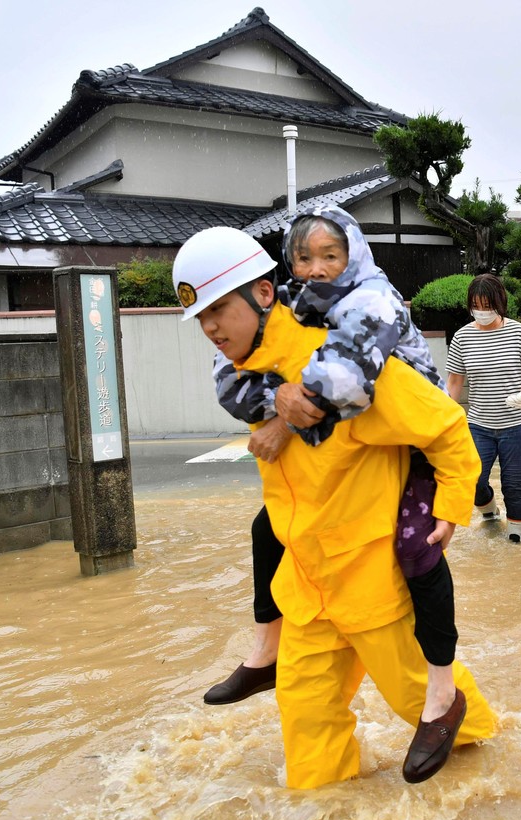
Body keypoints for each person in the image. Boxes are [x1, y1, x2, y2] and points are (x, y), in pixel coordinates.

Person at [175, 225, 494, 787]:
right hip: (307, 590)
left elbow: (445, 424)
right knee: (307, 733)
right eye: (201, 317)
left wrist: (450, 505)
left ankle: (497, 784)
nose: (210, 327)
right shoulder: (252, 379)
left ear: (263, 296)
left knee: (435, 712)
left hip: (374, 585)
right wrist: (276, 409)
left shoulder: (349, 366)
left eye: (219, 309)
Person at [445, 274, 521, 543]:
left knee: (515, 484)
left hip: (518, 425)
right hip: (479, 425)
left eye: (487, 305)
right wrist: (444, 415)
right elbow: (455, 380)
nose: (481, 311)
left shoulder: (518, 332)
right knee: (473, 479)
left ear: (499, 303)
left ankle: (516, 538)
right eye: (476, 305)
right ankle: (489, 511)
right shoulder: (462, 337)